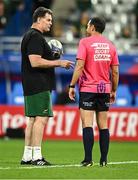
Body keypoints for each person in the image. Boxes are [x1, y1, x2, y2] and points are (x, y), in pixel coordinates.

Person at [20, 7, 74, 166]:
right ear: (38, 19)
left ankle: (27, 156)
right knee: (41, 119)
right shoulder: (36, 37)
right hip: (39, 84)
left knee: (32, 119)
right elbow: (35, 61)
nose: (51, 23)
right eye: (48, 20)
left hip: (30, 84)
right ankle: (37, 157)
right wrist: (59, 62)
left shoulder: (28, 36)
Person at [69, 17, 119, 167]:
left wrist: (72, 85)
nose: (86, 26)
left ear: (92, 27)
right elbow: (115, 72)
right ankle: (103, 160)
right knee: (103, 125)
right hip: (104, 89)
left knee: (87, 124)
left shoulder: (84, 42)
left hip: (88, 89)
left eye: (88, 24)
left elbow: (79, 66)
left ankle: (88, 160)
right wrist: (114, 90)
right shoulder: (111, 45)